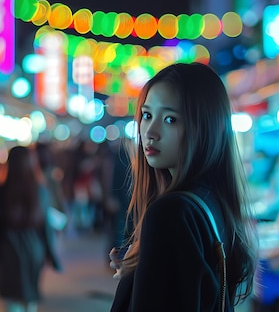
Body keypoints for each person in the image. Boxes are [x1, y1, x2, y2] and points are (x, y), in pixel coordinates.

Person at [109, 62, 259, 312]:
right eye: (147, 115)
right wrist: (139, 271)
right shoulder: (212, 201)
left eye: (170, 119)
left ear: (205, 127)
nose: (151, 132)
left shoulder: (171, 211)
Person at [0, 146, 61, 312]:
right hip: (34, 248)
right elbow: (46, 225)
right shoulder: (39, 190)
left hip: (8, 249)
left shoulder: (1, 190)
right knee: (30, 299)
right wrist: (51, 253)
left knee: (13, 299)